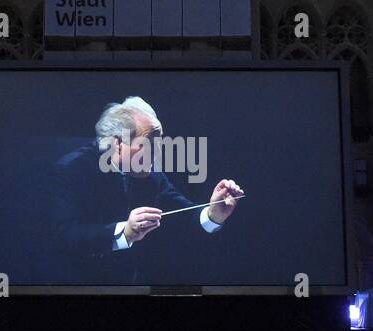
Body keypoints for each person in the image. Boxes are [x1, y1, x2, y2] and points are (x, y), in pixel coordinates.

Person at [48, 97, 244, 284]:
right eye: (149, 144)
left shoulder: (152, 175)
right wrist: (125, 232)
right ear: (118, 143)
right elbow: (65, 235)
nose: (158, 152)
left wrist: (213, 214)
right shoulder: (72, 169)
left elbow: (184, 215)